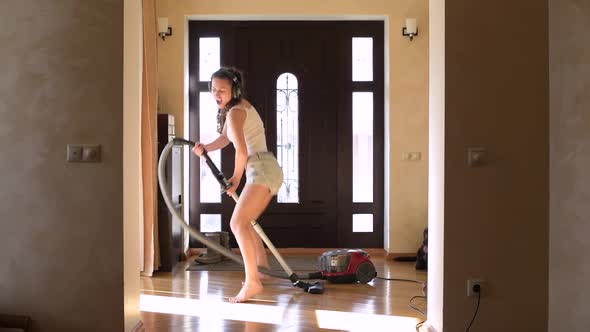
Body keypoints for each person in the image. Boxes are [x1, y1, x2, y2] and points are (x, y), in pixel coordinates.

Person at [192, 67, 283, 303]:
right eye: (213, 90)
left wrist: (235, 178)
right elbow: (226, 138)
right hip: (264, 168)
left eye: (222, 90)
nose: (217, 94)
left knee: (237, 223)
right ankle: (262, 271)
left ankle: (252, 282)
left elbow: (241, 151)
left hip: (260, 169)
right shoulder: (236, 110)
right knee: (247, 223)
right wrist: (206, 148)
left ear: (235, 89)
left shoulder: (234, 113)